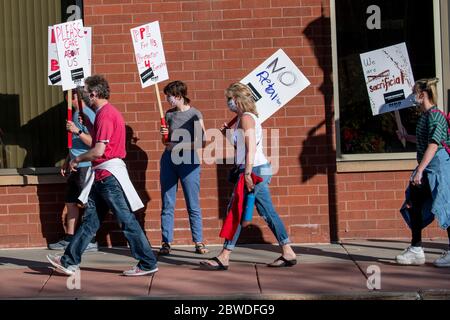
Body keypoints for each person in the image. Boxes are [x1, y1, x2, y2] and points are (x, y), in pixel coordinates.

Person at [47, 75, 158, 276]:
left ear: (94, 93)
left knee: (125, 220)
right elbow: (100, 141)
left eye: (87, 92)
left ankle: (148, 262)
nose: (84, 96)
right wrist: (88, 125)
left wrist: (76, 160)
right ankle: (69, 260)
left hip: (108, 176)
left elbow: (99, 150)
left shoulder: (105, 115)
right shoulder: (103, 114)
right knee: (91, 221)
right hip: (103, 176)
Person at [200, 82, 297, 270]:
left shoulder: (246, 118)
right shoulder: (242, 119)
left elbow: (251, 146)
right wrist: (228, 135)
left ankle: (225, 256)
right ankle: (287, 251)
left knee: (241, 210)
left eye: (229, 99)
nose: (228, 102)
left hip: (255, 170)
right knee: (258, 211)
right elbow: (241, 148)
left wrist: (247, 173)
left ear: (237, 99)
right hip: (254, 168)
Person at [395, 78, 450, 267]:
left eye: (413, 92)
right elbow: (423, 140)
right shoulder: (425, 116)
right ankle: (416, 249)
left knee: (445, 207)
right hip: (428, 167)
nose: (412, 96)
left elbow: (433, 145)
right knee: (415, 203)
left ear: (422, 94)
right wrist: (406, 136)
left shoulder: (436, 116)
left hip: (438, 169)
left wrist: (419, 170)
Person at [158, 80, 209, 255]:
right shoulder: (169, 114)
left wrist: (178, 146)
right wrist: (164, 136)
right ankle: (166, 241)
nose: (167, 99)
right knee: (167, 202)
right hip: (169, 161)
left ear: (179, 96)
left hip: (189, 162)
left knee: (192, 203)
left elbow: (202, 142)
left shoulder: (195, 114)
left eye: (169, 96)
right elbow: (166, 142)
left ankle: (199, 241)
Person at [48, 90, 98, 252]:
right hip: (74, 165)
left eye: (70, 95)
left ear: (77, 96)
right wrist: (67, 160)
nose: (67, 99)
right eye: (66, 95)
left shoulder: (86, 114)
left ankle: (91, 239)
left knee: (86, 203)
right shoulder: (76, 114)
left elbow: (94, 142)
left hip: (85, 166)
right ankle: (69, 238)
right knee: (71, 203)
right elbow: (75, 143)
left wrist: (77, 130)